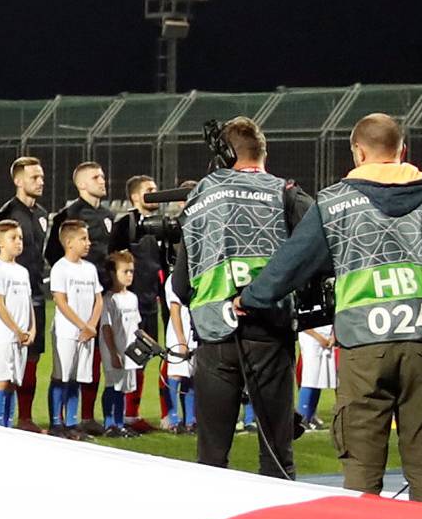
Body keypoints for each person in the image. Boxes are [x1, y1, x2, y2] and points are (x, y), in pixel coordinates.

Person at [240, 112, 422, 506]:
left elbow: (289, 266)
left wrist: (249, 299)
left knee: (361, 473)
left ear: (357, 151)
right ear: (402, 150)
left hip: (363, 348)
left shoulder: (335, 201)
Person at [172, 117, 313, 480]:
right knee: (277, 456)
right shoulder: (283, 192)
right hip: (269, 333)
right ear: (263, 152)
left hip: (214, 337)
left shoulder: (200, 197)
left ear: (226, 153)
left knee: (213, 458)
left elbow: (182, 284)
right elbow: (319, 246)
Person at [47, 160, 114, 427]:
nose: (102, 180)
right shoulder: (69, 214)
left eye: (103, 176)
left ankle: (84, 418)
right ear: (81, 184)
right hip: (74, 305)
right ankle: (58, 421)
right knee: (65, 370)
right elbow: (53, 252)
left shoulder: (108, 215)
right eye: (96, 177)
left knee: (92, 364)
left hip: (100, 296)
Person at [0, 157, 50, 427]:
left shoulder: (43, 215)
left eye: (42, 177)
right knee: (3, 363)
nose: (40, 181)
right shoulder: (5, 215)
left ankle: (24, 417)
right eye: (34, 177)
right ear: (18, 181)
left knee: (30, 358)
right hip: (9, 301)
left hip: (33, 291)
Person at [110, 174, 170, 428]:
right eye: (150, 190)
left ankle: (138, 414)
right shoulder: (125, 224)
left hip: (154, 302)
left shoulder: (163, 224)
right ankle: (124, 413)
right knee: (130, 357)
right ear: (135, 196)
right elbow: (114, 257)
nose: (155, 194)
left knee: (150, 356)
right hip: (131, 304)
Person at [47, 217, 103, 434]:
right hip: (67, 332)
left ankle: (71, 422)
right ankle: (56, 422)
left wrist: (92, 325)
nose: (88, 243)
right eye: (83, 239)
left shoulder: (89, 269)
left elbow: (99, 299)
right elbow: (60, 301)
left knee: (77, 377)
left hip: (87, 333)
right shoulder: (60, 268)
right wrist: (83, 325)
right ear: (69, 242)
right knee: (61, 375)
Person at [0, 217, 33, 428]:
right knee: (1, 379)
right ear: (0, 242)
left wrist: (31, 329)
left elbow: (28, 302)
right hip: (3, 335)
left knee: (13, 382)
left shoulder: (22, 271)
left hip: (21, 337)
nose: (18, 242)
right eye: (13, 238)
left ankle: (8, 425)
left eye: (20, 238)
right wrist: (17, 330)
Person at [99, 251, 143, 434]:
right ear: (112, 273)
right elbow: (106, 327)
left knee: (124, 387)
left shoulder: (133, 298)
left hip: (130, 350)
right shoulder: (109, 299)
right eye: (125, 271)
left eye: (131, 271)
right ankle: (110, 423)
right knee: (113, 385)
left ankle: (120, 421)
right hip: (115, 349)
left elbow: (136, 325)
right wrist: (113, 352)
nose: (129, 275)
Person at [164, 292, 197, 431]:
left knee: (190, 376)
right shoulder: (173, 279)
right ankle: (173, 419)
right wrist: (181, 340)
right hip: (178, 336)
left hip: (192, 333)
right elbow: (174, 309)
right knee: (175, 376)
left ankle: (190, 420)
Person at [296, 320, 337, 431]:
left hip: (328, 335)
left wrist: (333, 335)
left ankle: (310, 416)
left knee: (320, 377)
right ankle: (301, 417)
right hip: (311, 337)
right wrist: (319, 338)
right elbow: (302, 321)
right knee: (310, 375)